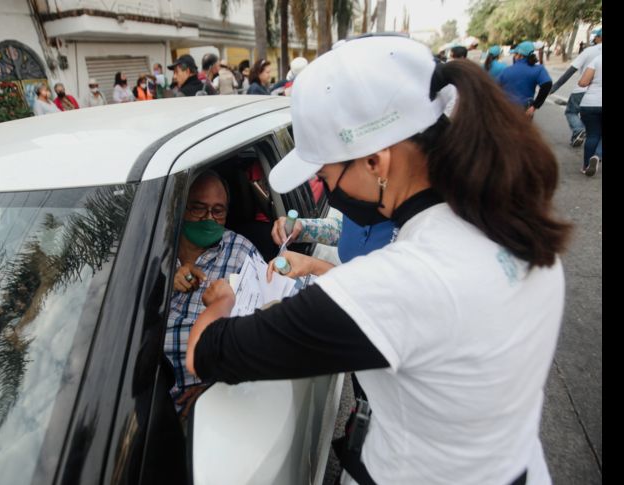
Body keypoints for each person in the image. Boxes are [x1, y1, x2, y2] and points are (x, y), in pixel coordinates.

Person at [185, 35, 570, 485]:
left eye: (325, 175)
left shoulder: (400, 282)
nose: (329, 191)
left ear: (375, 162)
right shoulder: (512, 221)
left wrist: (221, 301)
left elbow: (206, 352)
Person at [163, 171, 259, 411]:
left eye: (218, 211)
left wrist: (216, 386)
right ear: (180, 206)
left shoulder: (242, 253)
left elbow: (260, 334)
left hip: (205, 399)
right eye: (198, 208)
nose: (208, 218)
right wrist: (164, 282)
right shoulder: (156, 246)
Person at [549, 28, 601, 147]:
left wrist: (554, 88)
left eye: (596, 37)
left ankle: (578, 130)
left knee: (571, 112)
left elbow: (571, 71)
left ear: (599, 37)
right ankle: (580, 139)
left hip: (583, 90)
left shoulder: (589, 51)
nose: (594, 39)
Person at [497, 40, 552, 120]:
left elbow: (495, 87)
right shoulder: (538, 69)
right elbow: (547, 85)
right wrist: (535, 106)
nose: (514, 57)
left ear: (519, 55)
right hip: (526, 109)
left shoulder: (506, 70)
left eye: (515, 54)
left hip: (507, 108)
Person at [578, 54, 602, 176]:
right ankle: (597, 156)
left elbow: (583, 82)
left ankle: (586, 166)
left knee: (592, 135)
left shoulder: (598, 58)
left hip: (590, 103)